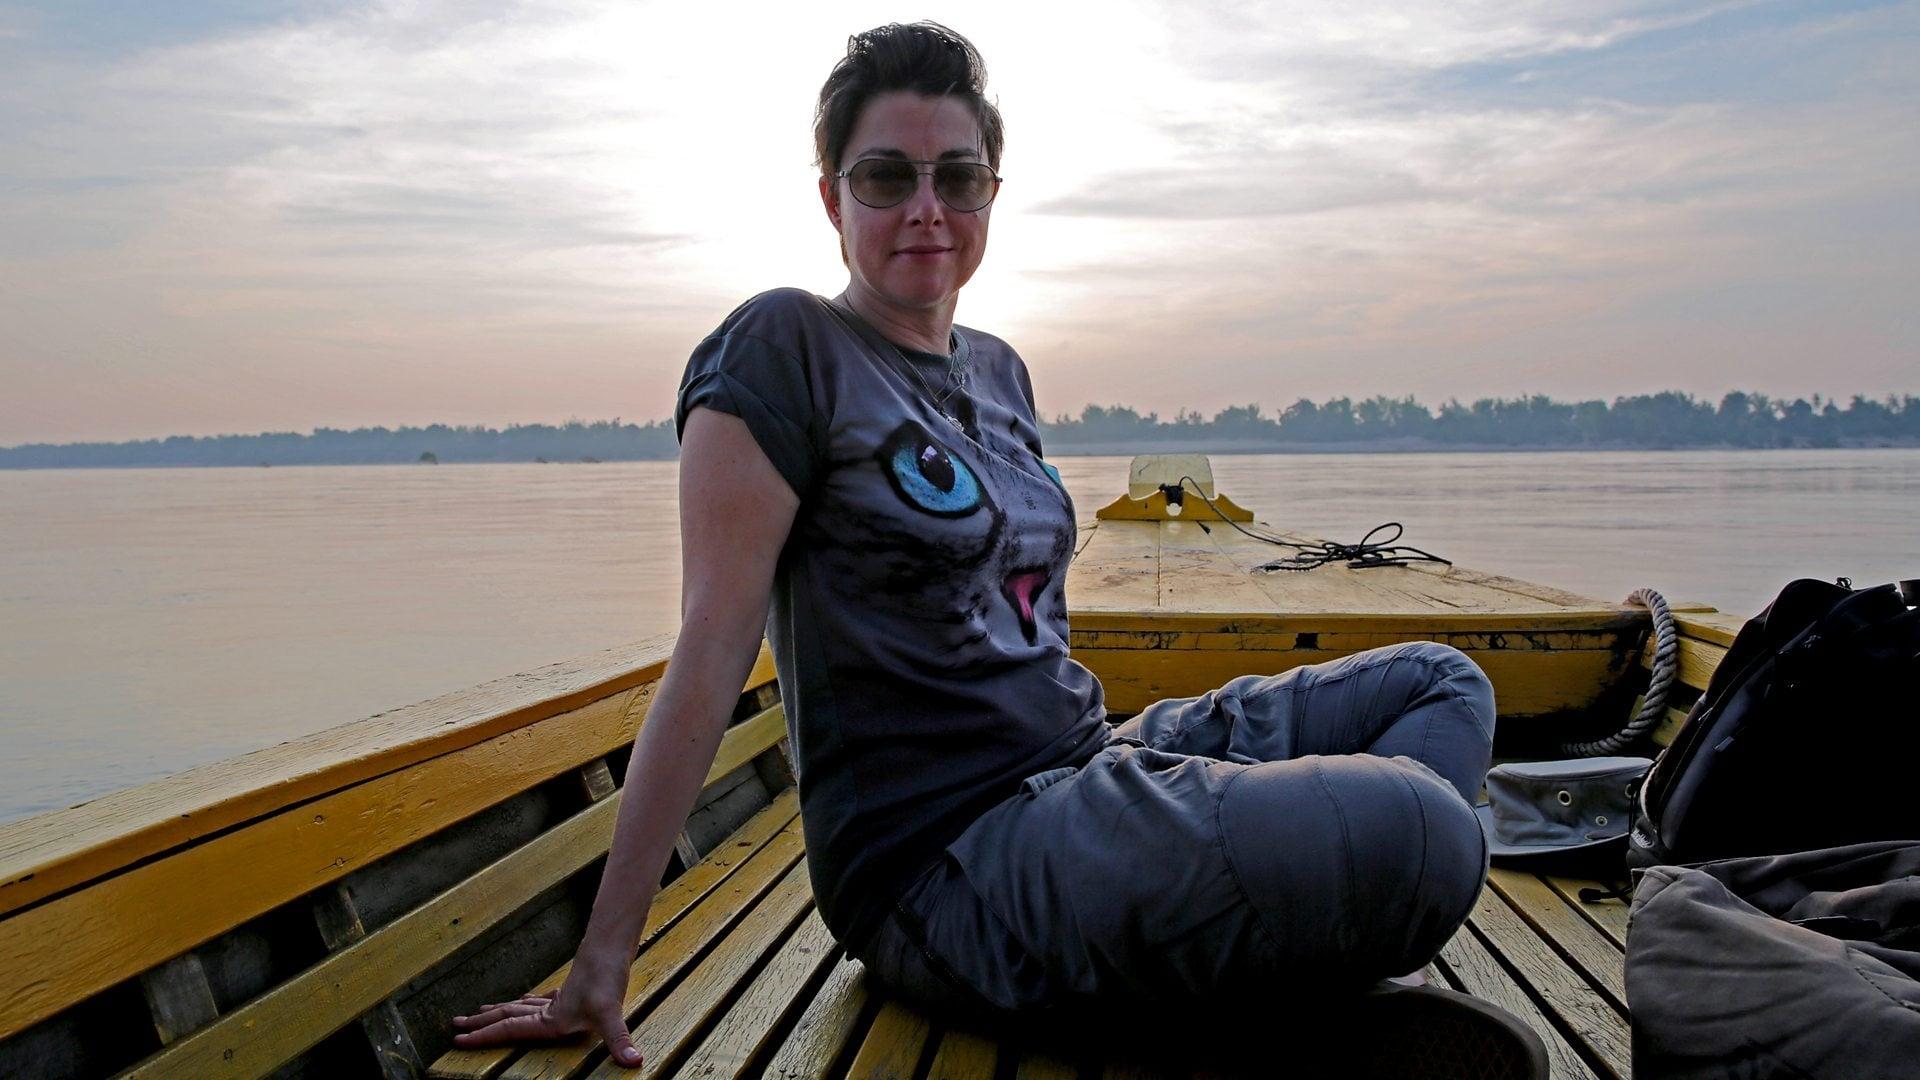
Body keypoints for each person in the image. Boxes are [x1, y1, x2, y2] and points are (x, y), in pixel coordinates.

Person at [452, 21, 1508, 1071]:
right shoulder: (784, 351)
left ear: (991, 193)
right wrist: (601, 962)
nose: (925, 208)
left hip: (1090, 763)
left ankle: (1321, 956)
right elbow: (712, 643)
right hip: (945, 861)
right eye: (885, 176)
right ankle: (1327, 963)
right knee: (1422, 830)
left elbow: (1026, 624)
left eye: (957, 177)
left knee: (1444, 686)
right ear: (832, 197)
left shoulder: (1002, 370)